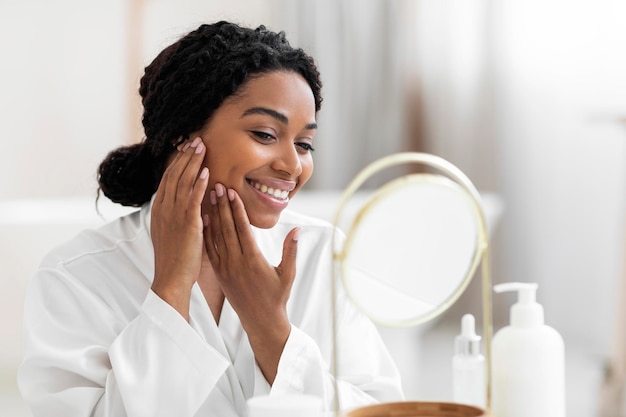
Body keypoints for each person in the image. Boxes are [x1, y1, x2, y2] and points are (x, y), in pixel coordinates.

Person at [17, 21, 403, 417]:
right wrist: (170, 290)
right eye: (265, 134)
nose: (293, 166)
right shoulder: (76, 277)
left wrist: (271, 332)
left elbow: (383, 411)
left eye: (304, 144)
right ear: (184, 135)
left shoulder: (323, 254)